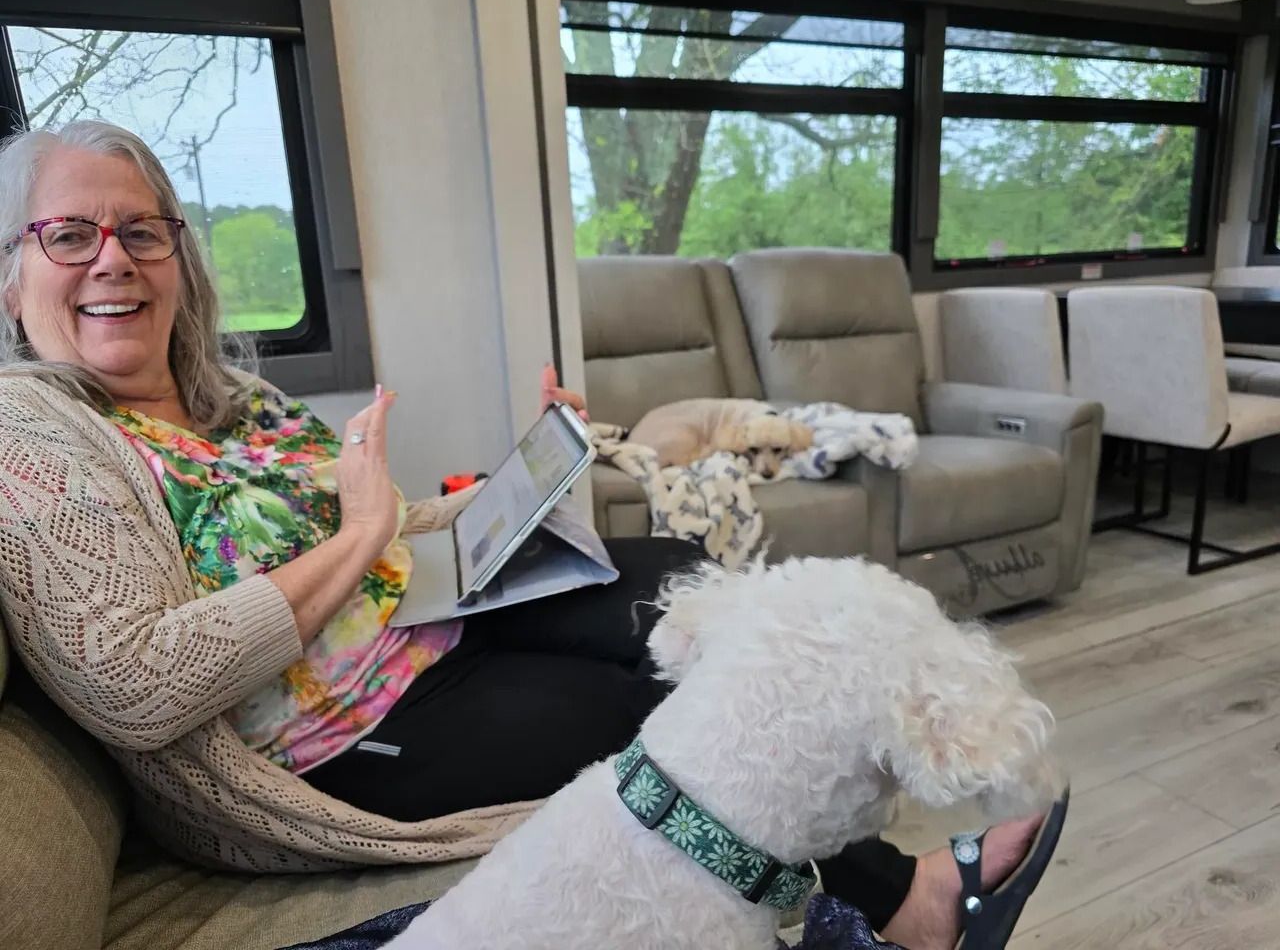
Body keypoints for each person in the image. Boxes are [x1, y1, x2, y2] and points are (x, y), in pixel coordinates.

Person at [0, 120, 1046, 949]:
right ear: (11, 270)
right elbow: (134, 685)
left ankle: (852, 824)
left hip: (434, 613)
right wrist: (364, 534)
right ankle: (903, 902)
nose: (113, 261)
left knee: (685, 579)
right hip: (337, 739)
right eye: (69, 234)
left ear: (176, 255)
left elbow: (386, 526)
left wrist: (528, 474)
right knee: (658, 715)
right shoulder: (32, 434)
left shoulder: (232, 397)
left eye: (142, 231)